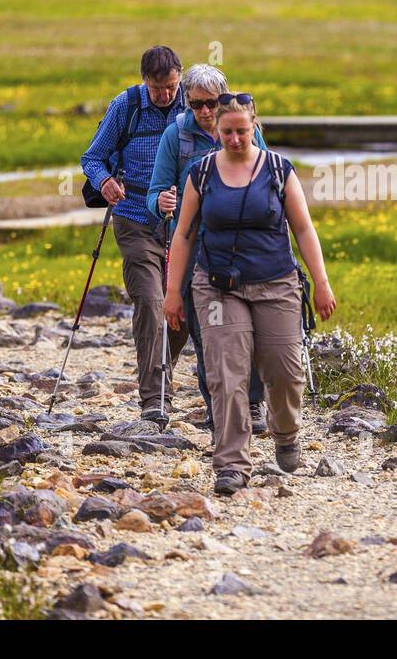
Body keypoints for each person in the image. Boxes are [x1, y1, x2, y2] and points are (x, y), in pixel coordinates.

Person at [163, 93, 336, 495]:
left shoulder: (278, 170)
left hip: (276, 283)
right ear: (216, 130)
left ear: (254, 125)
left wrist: (322, 282)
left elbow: (304, 230)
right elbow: (183, 235)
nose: (235, 139)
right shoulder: (201, 173)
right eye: (227, 132)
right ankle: (231, 464)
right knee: (227, 373)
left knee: (285, 371)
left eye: (242, 131)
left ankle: (286, 432)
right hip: (218, 288)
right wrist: (173, 291)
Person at [147, 63, 270, 437]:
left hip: (243, 245)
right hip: (195, 248)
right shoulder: (176, 137)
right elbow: (155, 193)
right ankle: (217, 407)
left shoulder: (242, 131)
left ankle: (252, 402)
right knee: (206, 333)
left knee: (248, 330)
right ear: (186, 102)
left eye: (211, 104)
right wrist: (162, 202)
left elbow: (271, 178)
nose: (204, 112)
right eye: (196, 104)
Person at [80, 45, 189, 425]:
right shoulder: (124, 106)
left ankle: (160, 367)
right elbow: (91, 157)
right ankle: (154, 398)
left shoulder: (193, 106)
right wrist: (105, 181)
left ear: (180, 77)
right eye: (158, 89)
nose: (165, 96)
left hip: (181, 222)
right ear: (145, 81)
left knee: (183, 305)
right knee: (149, 299)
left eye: (171, 87)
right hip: (133, 215)